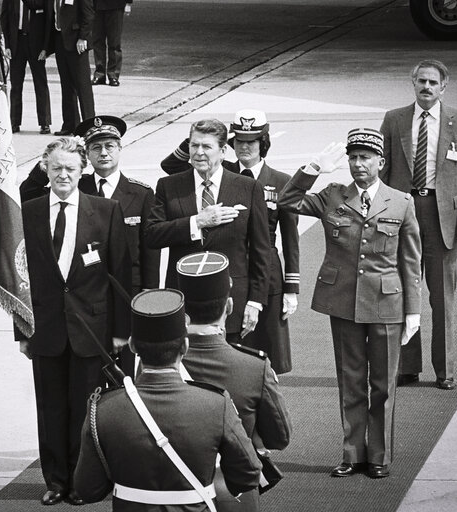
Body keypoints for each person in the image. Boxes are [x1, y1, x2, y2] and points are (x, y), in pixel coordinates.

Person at [278, 128, 422, 479]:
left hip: (386, 302)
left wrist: (413, 311)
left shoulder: (401, 201)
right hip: (343, 301)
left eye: (365, 158)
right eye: (353, 158)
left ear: (380, 162)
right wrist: (313, 167)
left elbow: (410, 261)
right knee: (350, 379)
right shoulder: (332, 195)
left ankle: (379, 457)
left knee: (383, 384)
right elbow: (286, 202)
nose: (358, 164)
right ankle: (352, 452)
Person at [16, 137, 132, 506]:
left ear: (82, 169)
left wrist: (121, 333)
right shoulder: (29, 211)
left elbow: (120, 275)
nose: (63, 175)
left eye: (70, 168)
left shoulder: (106, 210)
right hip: (45, 329)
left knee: (86, 411)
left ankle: (85, 483)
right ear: (45, 170)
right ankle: (56, 481)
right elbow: (19, 278)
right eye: (55, 168)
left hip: (92, 331)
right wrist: (21, 329)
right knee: (50, 410)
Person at [73, 288, 262, 510]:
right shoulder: (215, 404)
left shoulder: (102, 409)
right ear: (185, 346)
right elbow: (248, 476)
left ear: (133, 346)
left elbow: (88, 489)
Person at [160, 110, 300, 373]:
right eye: (239, 141)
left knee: (260, 355)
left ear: (263, 144)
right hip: (212, 272)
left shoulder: (278, 181)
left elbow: (288, 238)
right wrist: (201, 138)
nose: (244, 147)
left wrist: (291, 285)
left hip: (261, 273)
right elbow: (171, 166)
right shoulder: (219, 171)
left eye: (252, 141)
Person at [380, 59, 457, 390]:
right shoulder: (394, 119)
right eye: (421, 81)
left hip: (442, 216)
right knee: (405, 292)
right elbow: (382, 169)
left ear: (443, 87)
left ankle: (445, 371)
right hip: (403, 213)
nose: (426, 87)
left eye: (432, 83)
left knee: (442, 297)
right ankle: (407, 367)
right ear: (413, 84)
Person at [174, 251, 291, 511]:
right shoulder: (253, 367)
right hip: (233, 492)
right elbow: (280, 437)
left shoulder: (157, 368)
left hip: (175, 494)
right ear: (228, 306)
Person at [146, 118, 271, 344]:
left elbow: (262, 250)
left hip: (232, 304)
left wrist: (255, 301)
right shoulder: (169, 186)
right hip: (183, 303)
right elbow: (152, 235)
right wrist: (196, 222)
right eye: (194, 146)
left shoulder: (248, 187)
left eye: (206, 147)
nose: (199, 153)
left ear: (223, 151)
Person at [44, 0, 96, 135]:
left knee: (82, 86)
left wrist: (83, 37)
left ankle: (89, 125)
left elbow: (88, 15)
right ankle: (70, 124)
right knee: (66, 85)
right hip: (60, 39)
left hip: (76, 41)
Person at [1, 0, 52, 134]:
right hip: (16, 43)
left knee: (40, 84)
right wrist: (7, 45)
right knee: (16, 85)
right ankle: (14, 122)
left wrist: (46, 48)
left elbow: (48, 20)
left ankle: (45, 123)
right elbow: (4, 18)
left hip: (36, 43)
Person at [90, 0, 132, 87]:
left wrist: (128, 3)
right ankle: (99, 73)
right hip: (96, 5)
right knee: (97, 41)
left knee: (114, 42)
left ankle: (113, 75)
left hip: (116, 5)